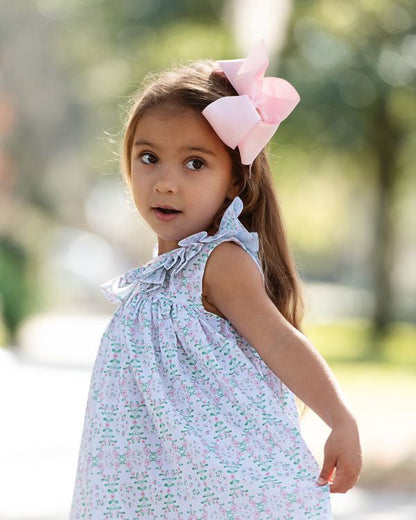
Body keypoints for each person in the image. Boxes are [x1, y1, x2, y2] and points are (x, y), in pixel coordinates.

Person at [70, 41, 361, 519]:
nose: (166, 182)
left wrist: (340, 419)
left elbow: (281, 343)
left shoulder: (218, 261)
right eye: (149, 158)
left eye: (195, 163)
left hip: (212, 486)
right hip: (145, 487)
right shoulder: (156, 278)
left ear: (233, 180)